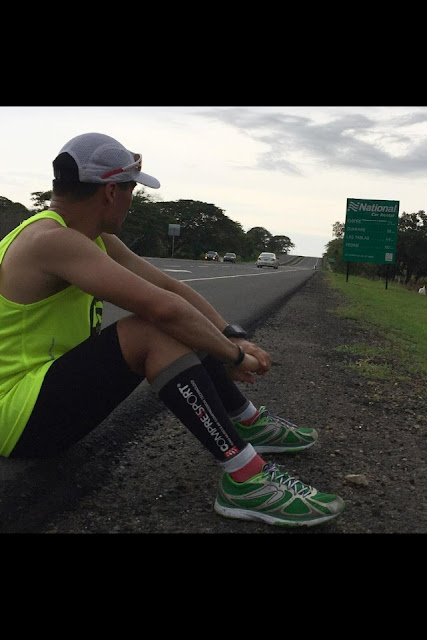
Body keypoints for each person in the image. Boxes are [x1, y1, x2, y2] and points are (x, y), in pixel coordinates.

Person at [0, 132, 345, 528]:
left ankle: (246, 420)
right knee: (154, 329)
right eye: (133, 191)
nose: (133, 202)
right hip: (16, 419)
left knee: (179, 323)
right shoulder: (52, 241)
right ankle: (247, 478)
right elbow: (161, 308)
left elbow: (171, 288)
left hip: (39, 402)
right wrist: (231, 355)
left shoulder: (86, 237)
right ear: (111, 192)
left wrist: (228, 334)